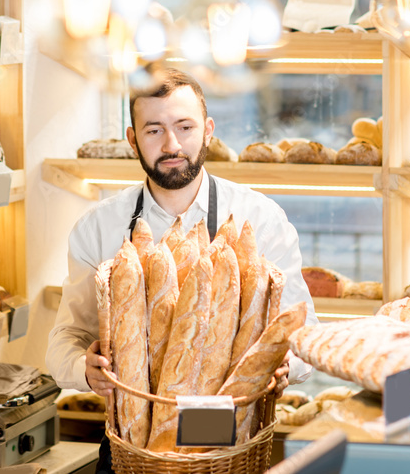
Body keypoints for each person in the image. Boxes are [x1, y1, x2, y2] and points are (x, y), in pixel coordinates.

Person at [46, 68, 318, 471]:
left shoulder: (259, 220)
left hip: (229, 446)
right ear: (132, 138)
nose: (172, 144)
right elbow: (64, 338)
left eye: (184, 126)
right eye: (154, 130)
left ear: (208, 130)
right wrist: (85, 370)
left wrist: (284, 367)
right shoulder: (100, 227)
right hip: (133, 447)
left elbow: (305, 333)